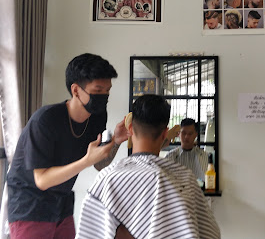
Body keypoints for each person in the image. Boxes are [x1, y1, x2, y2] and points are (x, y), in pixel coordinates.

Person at [7, 53, 129, 238]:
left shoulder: (97, 116)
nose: (104, 96)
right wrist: (86, 161)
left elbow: (98, 164)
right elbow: (42, 181)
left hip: (61, 206)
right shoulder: (45, 120)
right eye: (97, 90)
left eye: (107, 90)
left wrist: (116, 142)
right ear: (76, 90)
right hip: (29, 207)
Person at [76, 95, 221, 239]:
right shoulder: (185, 179)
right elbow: (211, 234)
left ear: (130, 129)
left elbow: (88, 233)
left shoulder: (107, 179)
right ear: (165, 133)